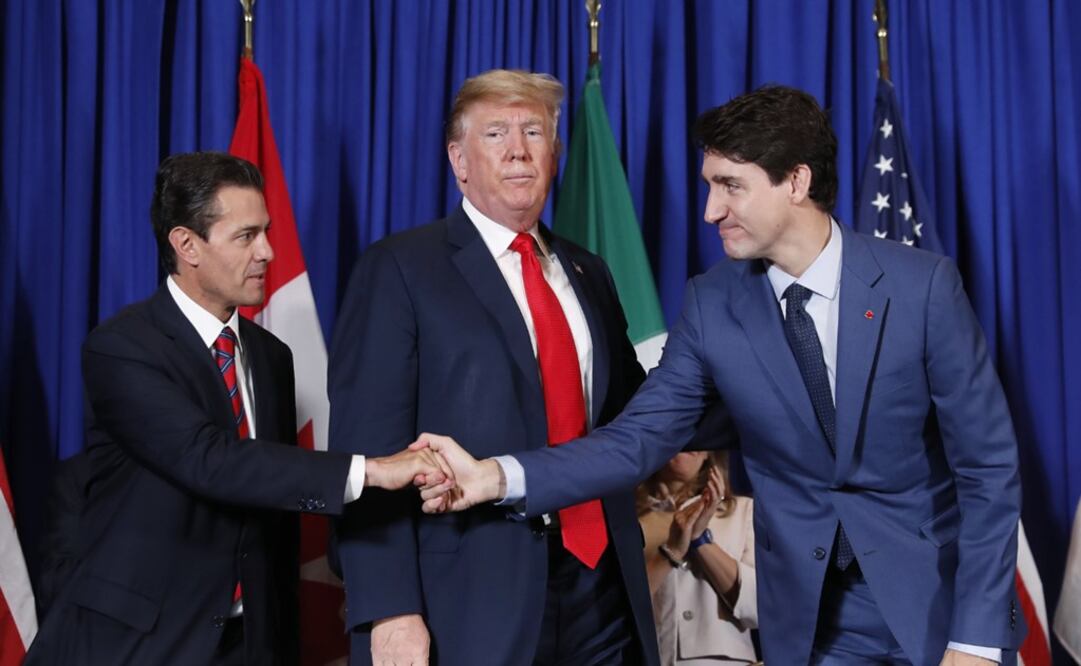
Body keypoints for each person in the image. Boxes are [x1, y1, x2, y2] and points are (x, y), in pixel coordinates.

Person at [416, 86, 1024, 665]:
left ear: (796, 182)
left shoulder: (923, 288)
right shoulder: (713, 304)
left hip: (935, 606)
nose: (710, 211)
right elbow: (636, 440)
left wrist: (977, 638)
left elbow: (988, 468)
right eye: (709, 186)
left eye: (730, 186)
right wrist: (496, 476)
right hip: (811, 625)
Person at [24, 152, 447, 666]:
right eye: (246, 237)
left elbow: (275, 511)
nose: (268, 252)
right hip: (143, 644)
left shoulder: (272, 357)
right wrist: (376, 470)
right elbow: (212, 460)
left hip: (251, 644)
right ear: (186, 245)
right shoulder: (122, 348)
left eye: (266, 231)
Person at [328, 69, 659, 665]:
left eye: (534, 131)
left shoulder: (589, 272)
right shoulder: (401, 269)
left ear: (554, 153)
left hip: (601, 587)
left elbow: (634, 414)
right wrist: (390, 609)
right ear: (458, 160)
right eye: (496, 133)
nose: (518, 149)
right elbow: (365, 451)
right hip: (469, 600)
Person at [637, 451, 757, 665]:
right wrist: (672, 550)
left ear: (708, 454)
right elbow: (622, 605)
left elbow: (760, 609)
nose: (689, 444)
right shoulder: (629, 519)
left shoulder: (744, 510)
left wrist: (700, 540)